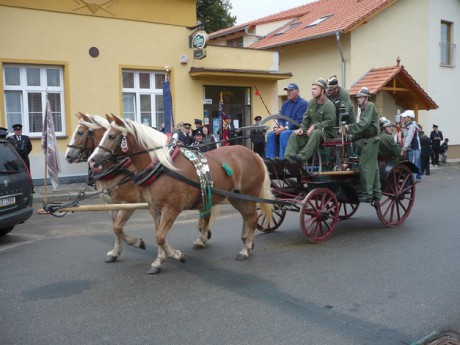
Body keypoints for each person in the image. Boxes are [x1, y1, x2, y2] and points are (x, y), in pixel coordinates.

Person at [280, 78, 335, 165]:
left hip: (326, 132)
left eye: (315, 89)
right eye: (312, 89)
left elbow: (330, 122)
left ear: (322, 90)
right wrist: (301, 128)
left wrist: (314, 126)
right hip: (312, 131)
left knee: (316, 133)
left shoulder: (329, 105)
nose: (312, 91)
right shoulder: (311, 102)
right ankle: (288, 159)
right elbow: (306, 118)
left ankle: (301, 157)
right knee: (294, 134)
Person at [342, 87, 381, 203]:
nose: (357, 99)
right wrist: (352, 137)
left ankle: (367, 194)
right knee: (373, 167)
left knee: (364, 165)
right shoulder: (364, 108)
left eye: (360, 97)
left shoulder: (369, 106)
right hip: (367, 139)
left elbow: (363, 124)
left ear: (366, 98)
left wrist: (349, 128)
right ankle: (376, 194)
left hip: (371, 140)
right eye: (357, 97)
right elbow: (364, 129)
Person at [265, 83, 308, 159]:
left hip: (297, 130)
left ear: (297, 92)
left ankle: (284, 159)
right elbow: (280, 117)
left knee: (284, 134)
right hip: (284, 129)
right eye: (287, 90)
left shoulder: (303, 104)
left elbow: (298, 121)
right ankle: (270, 160)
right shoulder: (285, 104)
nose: (288, 92)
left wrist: (285, 128)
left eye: (291, 90)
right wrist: (280, 125)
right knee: (270, 134)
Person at [7, 123, 34, 192]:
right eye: (16, 130)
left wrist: (25, 154)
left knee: (27, 173)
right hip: (15, 159)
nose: (18, 131)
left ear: (21, 131)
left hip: (24, 158)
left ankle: (30, 188)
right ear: (14, 131)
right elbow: (9, 148)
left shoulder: (26, 138)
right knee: (16, 173)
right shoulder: (10, 139)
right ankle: (17, 188)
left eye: (19, 130)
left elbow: (29, 148)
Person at [400, 110, 422, 182]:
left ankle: (413, 180)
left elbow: (409, 138)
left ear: (410, 118)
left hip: (414, 148)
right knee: (410, 164)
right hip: (409, 148)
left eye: (404, 117)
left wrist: (403, 149)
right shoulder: (405, 125)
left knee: (413, 165)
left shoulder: (412, 126)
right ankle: (410, 180)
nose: (403, 118)